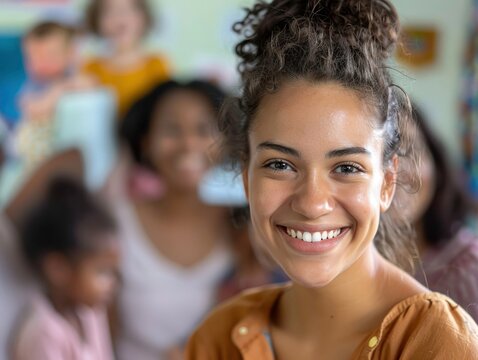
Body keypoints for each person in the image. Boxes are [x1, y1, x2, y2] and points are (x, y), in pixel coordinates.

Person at [185, 1, 478, 359]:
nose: (312, 203)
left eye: (347, 168)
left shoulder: (436, 343)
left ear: (386, 183)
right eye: (280, 164)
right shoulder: (220, 336)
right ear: (247, 179)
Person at [110, 80, 283, 360]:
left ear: (226, 142)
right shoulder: (114, 225)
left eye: (203, 130)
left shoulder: (247, 229)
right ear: (145, 142)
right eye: (171, 130)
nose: (188, 143)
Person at [11, 177, 119, 360]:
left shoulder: (90, 311)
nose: (113, 283)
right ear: (57, 269)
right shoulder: (44, 335)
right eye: (102, 272)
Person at [407, 105, 478, 321]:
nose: (396, 172)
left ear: (435, 162)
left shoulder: (468, 269)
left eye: (409, 152)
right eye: (381, 154)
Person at [17, 21, 94, 171]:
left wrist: (76, 80)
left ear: (70, 54)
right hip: (37, 148)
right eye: (34, 57)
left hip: (67, 141)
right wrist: (58, 91)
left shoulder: (72, 76)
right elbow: (32, 108)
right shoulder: (36, 84)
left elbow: (90, 86)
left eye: (50, 55)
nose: (42, 63)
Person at [82, 0, 170, 119]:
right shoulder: (91, 68)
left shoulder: (157, 65)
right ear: (97, 20)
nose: (120, 17)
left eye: (129, 10)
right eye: (109, 11)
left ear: (144, 17)